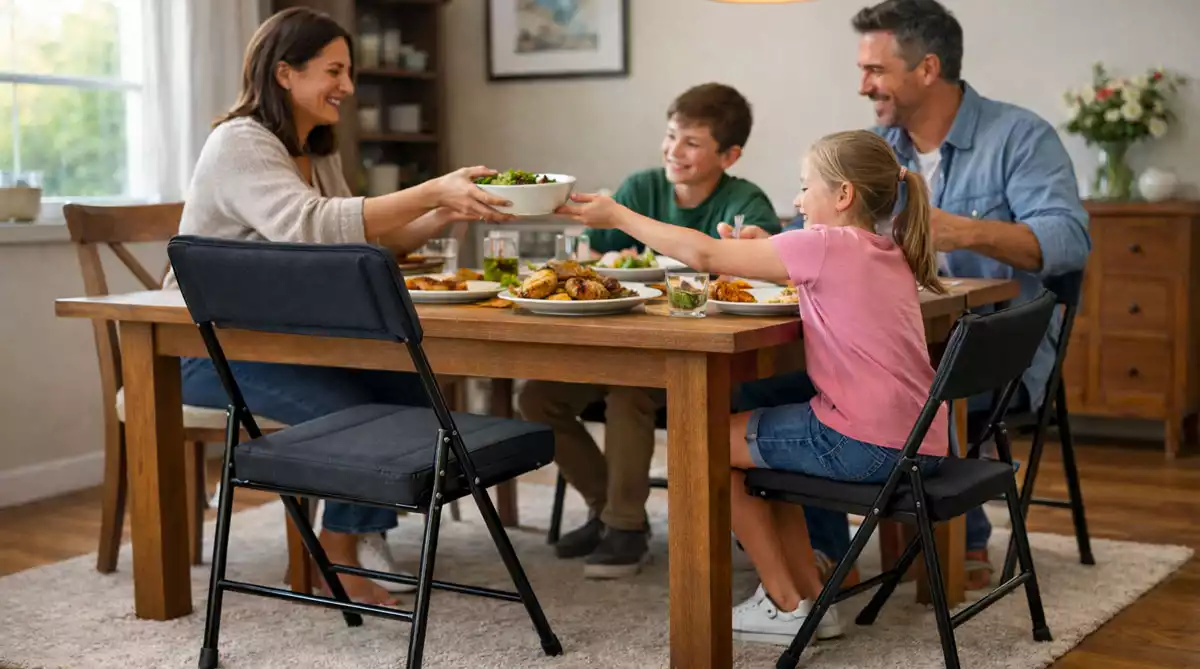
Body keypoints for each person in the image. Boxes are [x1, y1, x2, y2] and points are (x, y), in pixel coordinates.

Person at [163, 7, 514, 605]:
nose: (347, 87)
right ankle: (336, 557)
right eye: (334, 71)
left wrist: (442, 212)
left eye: (348, 72)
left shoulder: (315, 149)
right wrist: (430, 189)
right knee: (359, 415)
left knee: (412, 388)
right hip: (210, 350)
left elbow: (354, 241)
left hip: (293, 342)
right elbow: (307, 225)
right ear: (284, 73)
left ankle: (352, 532)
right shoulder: (239, 141)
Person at [556, 128, 951, 644]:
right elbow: (816, 274)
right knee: (754, 447)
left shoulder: (825, 245)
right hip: (921, 443)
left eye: (805, 186)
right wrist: (768, 249)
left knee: (699, 443)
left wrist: (618, 215)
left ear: (843, 194)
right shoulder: (885, 249)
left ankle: (785, 603)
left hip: (865, 445)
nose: (797, 200)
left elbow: (703, 256)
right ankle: (810, 599)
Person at [770, 0, 1092, 589]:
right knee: (777, 382)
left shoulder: (1019, 137)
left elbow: (1070, 240)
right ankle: (826, 558)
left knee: (908, 377)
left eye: (875, 69)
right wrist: (766, 245)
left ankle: (953, 536)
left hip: (992, 353)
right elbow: (815, 231)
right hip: (889, 347)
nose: (863, 85)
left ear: (927, 68)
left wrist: (961, 230)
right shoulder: (875, 147)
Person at [516, 83, 781, 579]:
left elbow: (763, 259)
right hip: (618, 339)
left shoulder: (744, 200)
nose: (674, 150)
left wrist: (751, 246)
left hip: (695, 354)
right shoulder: (640, 188)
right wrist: (608, 257)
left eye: (692, 143)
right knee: (536, 399)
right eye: (670, 136)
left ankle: (623, 526)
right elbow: (594, 256)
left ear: (729, 156)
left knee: (629, 394)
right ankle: (611, 511)